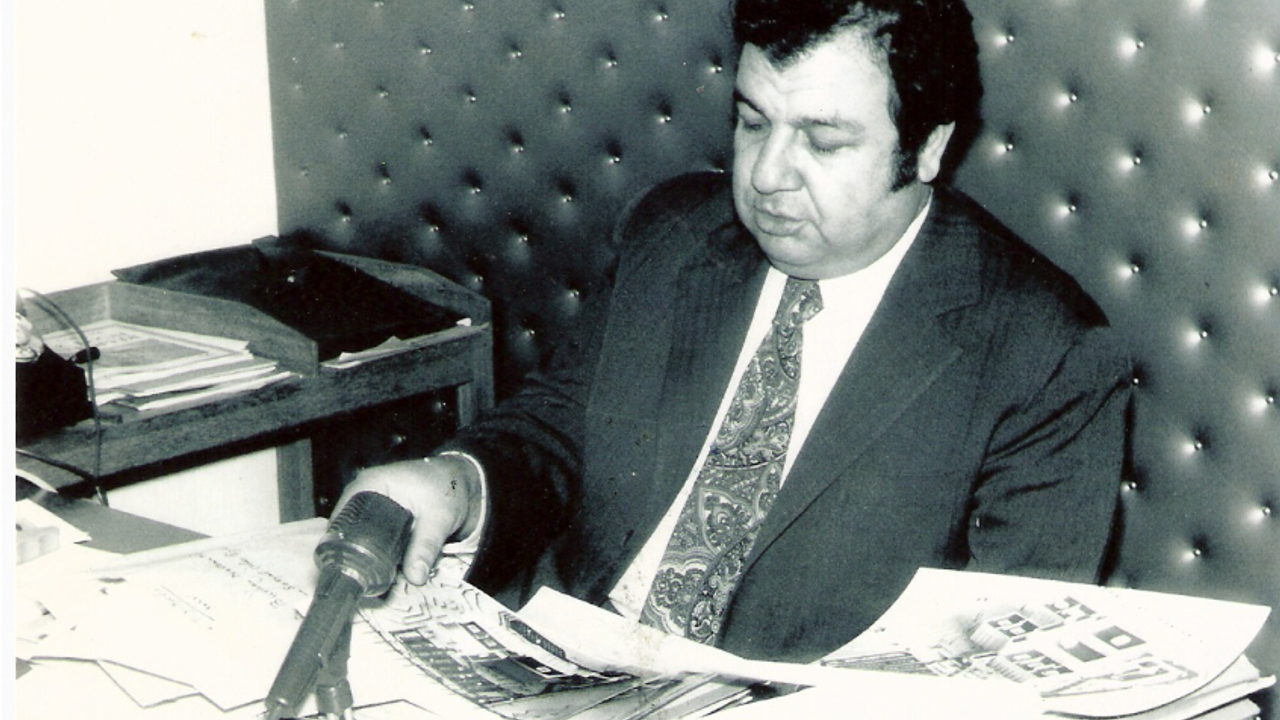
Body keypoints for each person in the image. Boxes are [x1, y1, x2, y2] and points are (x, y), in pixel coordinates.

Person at [339, 0, 1131, 662]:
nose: (766, 175)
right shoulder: (674, 233)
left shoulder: (1047, 355)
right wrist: (456, 483)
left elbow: (999, 659)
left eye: (823, 141)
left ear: (926, 148)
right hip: (564, 660)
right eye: (753, 123)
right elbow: (556, 430)